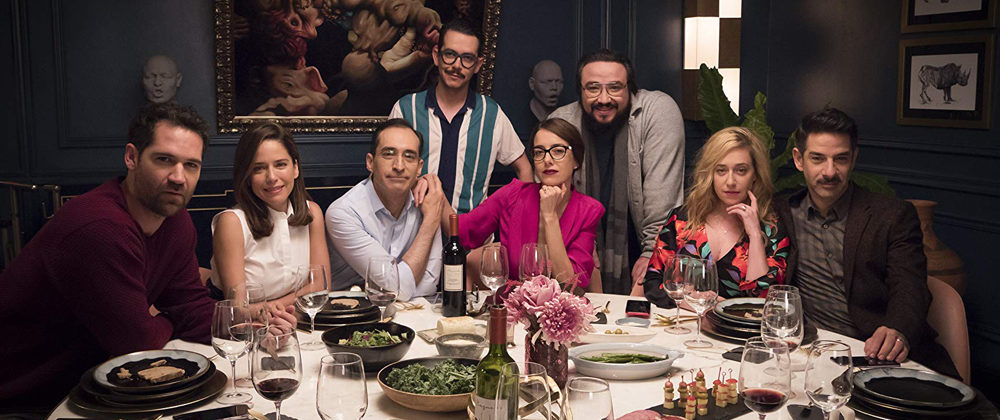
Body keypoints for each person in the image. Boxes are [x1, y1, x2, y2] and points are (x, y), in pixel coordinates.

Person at [0, 103, 295, 411]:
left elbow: (190, 307)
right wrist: (167, 320)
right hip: (24, 398)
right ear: (132, 157)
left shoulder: (176, 221)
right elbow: (137, 342)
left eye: (191, 165)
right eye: (164, 160)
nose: (179, 177)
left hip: (89, 387)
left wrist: (254, 332)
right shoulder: (98, 226)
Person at [773, 108, 959, 377]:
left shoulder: (892, 215)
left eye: (840, 159)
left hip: (878, 356)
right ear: (799, 159)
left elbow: (910, 286)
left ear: (854, 158)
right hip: (812, 355)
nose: (829, 171)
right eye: (818, 158)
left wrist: (898, 329)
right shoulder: (782, 212)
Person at [549, 48, 685, 294]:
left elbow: (663, 196)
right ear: (580, 91)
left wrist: (651, 253)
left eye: (614, 88)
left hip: (641, 246)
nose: (604, 98)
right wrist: (579, 242)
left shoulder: (657, 111)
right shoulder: (562, 121)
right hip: (580, 251)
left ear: (630, 88)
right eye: (593, 88)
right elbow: (551, 199)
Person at [390, 18, 533, 214]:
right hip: (415, 228)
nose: (457, 65)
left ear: (477, 65)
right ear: (436, 56)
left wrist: (522, 220)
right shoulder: (406, 109)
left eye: (467, 58)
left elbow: (524, 168)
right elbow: (385, 171)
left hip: (471, 231)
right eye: (450, 54)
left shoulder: (491, 114)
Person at [443, 118, 604, 290]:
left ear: (576, 161)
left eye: (558, 151)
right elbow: (463, 231)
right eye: (539, 152)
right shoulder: (512, 195)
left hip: (562, 306)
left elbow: (570, 285)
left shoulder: (589, 210)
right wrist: (438, 196)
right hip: (514, 303)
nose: (547, 160)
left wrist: (549, 216)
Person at [643, 127, 790, 302]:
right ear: (710, 174)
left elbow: (762, 301)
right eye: (721, 170)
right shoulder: (682, 219)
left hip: (737, 322)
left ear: (755, 175)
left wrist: (755, 235)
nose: (730, 181)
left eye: (741, 170)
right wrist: (699, 301)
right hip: (684, 319)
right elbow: (653, 284)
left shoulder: (772, 229)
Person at [209, 123, 330, 308]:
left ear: (295, 168)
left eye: (280, 164)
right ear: (247, 176)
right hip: (246, 324)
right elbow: (238, 308)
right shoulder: (231, 222)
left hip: (299, 317)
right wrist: (285, 307)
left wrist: (277, 308)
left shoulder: (312, 213)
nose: (271, 177)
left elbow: (321, 287)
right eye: (258, 168)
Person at [326, 118, 445, 301]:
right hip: (350, 309)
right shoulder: (344, 212)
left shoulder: (427, 201)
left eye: (409, 156)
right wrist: (430, 223)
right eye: (388, 154)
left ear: (419, 167)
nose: (399, 166)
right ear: (370, 162)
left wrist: (399, 285)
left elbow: (429, 283)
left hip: (414, 311)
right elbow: (398, 289)